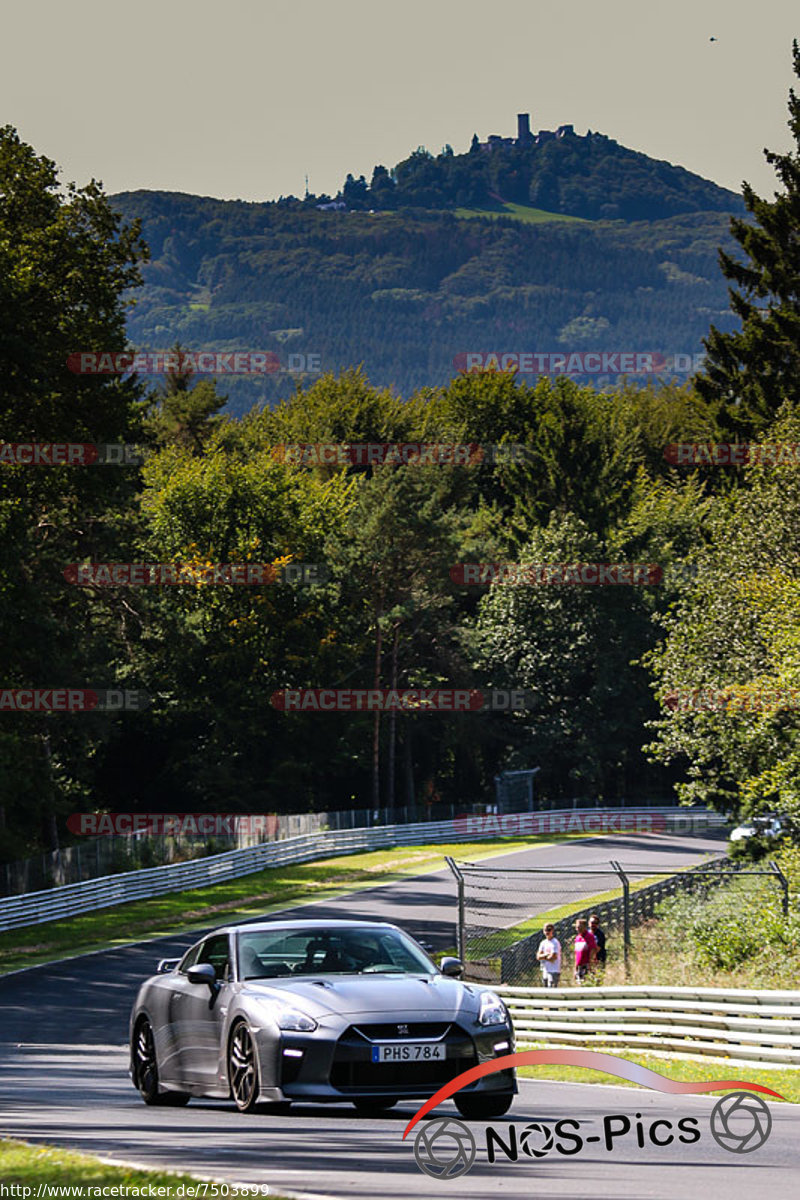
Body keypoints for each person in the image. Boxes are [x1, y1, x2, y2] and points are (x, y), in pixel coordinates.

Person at [536, 923, 561, 988]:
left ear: (552, 930)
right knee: (545, 988)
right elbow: (538, 956)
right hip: (545, 970)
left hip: (554, 970)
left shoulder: (555, 942)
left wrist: (543, 957)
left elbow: (553, 957)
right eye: (545, 930)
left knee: (552, 988)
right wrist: (547, 955)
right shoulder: (543, 943)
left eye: (549, 930)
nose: (547, 932)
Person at [573, 918, 597, 985]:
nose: (578, 929)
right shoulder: (577, 938)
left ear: (584, 927)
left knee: (586, 983)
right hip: (579, 965)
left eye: (580, 927)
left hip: (586, 964)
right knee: (579, 983)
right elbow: (576, 954)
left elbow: (593, 950)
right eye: (577, 927)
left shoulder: (589, 936)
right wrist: (575, 968)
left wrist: (590, 964)